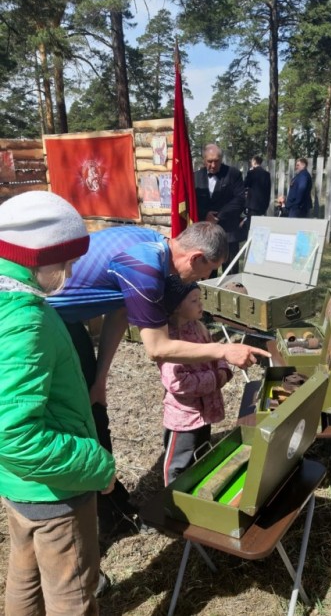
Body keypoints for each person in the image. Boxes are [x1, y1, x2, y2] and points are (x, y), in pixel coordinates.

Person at [47, 221, 269, 534]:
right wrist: (224, 350)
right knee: (79, 418)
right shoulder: (145, 268)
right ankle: (101, 513)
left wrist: (99, 380)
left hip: (63, 319)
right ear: (195, 257)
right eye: (207, 271)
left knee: (94, 408)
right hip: (42, 317)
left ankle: (111, 501)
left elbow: (120, 310)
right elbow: (157, 348)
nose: (202, 280)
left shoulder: (157, 247)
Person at [0, 190, 116, 615]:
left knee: (25, 577)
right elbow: (13, 434)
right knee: (73, 594)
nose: (69, 273)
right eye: (65, 262)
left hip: (19, 485)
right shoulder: (24, 320)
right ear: (35, 257)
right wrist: (95, 463)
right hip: (57, 492)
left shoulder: (9, 298)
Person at [159, 275, 233, 485]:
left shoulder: (199, 328)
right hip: (184, 416)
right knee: (178, 463)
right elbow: (177, 382)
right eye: (194, 301)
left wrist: (223, 369)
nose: (200, 304)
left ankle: (196, 492)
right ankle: (173, 496)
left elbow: (217, 352)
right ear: (176, 307)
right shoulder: (169, 340)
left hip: (205, 410)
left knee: (201, 452)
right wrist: (215, 378)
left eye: (200, 299)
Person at [194, 144, 245, 274]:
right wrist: (205, 215)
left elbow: (239, 199)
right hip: (206, 235)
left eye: (216, 161)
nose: (213, 165)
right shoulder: (196, 177)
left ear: (221, 159)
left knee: (230, 273)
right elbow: (193, 202)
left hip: (229, 232)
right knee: (207, 272)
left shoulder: (233, 174)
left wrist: (218, 216)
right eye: (209, 161)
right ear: (204, 160)